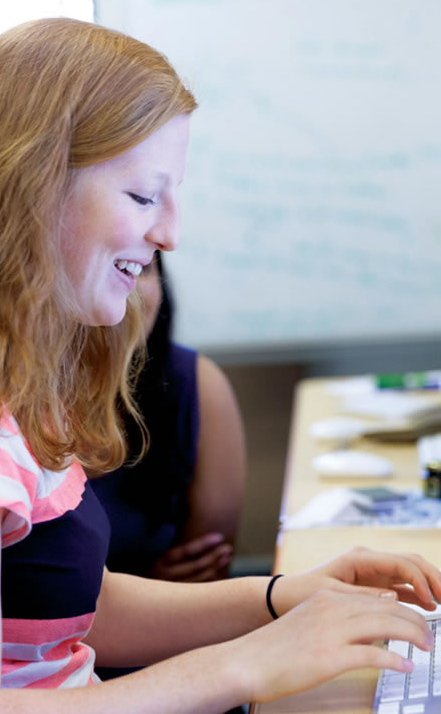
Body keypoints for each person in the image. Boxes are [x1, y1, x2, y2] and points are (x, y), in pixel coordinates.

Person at [0, 18, 441, 713]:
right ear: (29, 190)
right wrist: (245, 666)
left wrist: (279, 597)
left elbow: (64, 603)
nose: (169, 233)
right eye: (143, 196)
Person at [91, 254, 246, 682]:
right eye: (115, 265)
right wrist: (144, 589)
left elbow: (205, 571)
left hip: (172, 652)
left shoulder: (193, 383)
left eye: (143, 267)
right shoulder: (11, 401)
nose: (132, 288)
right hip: (50, 667)